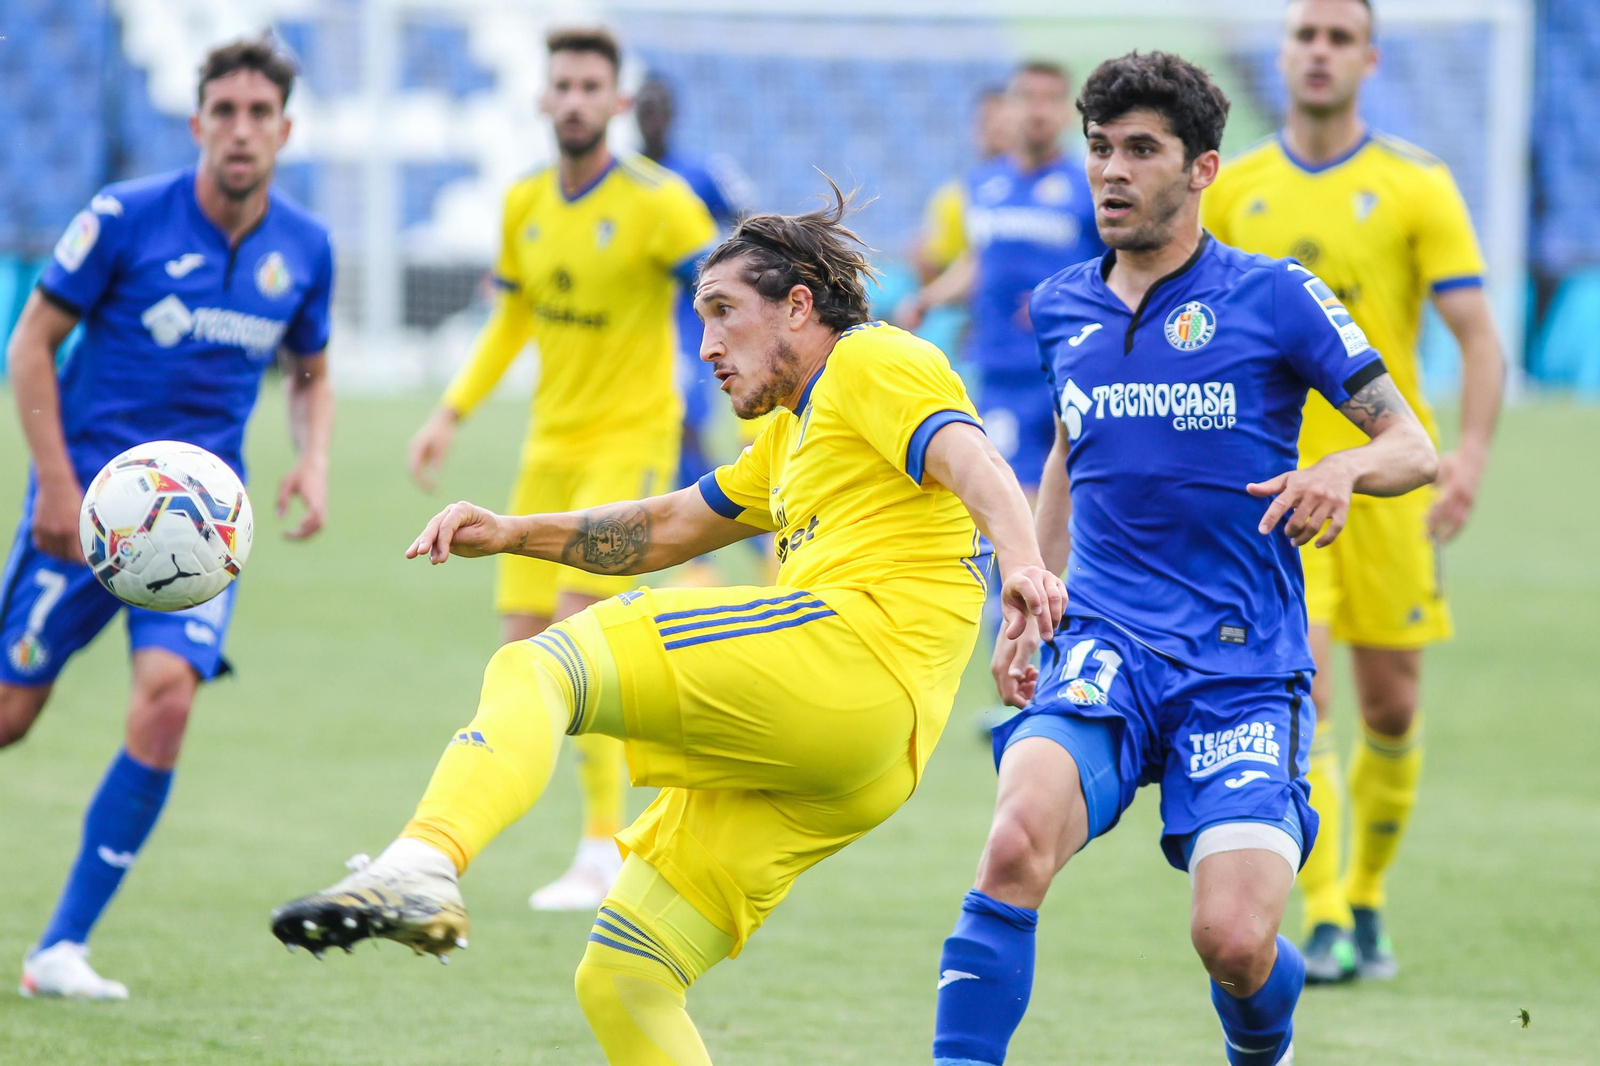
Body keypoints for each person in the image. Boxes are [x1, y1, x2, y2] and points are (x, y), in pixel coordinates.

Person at [272, 187, 1065, 1066]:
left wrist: (1026, 566)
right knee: (624, 975)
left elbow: (975, 458)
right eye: (699, 319)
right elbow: (672, 527)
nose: (708, 346)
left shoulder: (872, 361)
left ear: (799, 305)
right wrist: (514, 532)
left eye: (724, 313)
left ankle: (424, 861)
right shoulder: (791, 435)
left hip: (849, 659)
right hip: (867, 755)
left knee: (539, 669)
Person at [929, 52, 1438, 1066]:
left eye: (1141, 151)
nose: (1111, 172)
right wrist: (1033, 585)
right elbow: (1073, 450)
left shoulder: (1274, 297)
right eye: (1100, 149)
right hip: (1108, 645)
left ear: (1202, 169)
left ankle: (1265, 1033)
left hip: (1242, 668)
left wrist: (1339, 469)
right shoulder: (1065, 307)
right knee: (1012, 841)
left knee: (1235, 944)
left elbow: (1410, 446)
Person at [1, 37, 334, 999]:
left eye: (258, 114)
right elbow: (31, 345)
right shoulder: (123, 218)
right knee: (14, 712)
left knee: (168, 699)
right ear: (196, 125)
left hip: (199, 535)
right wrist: (58, 488)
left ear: (284, 130)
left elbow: (310, 368)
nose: (240, 130)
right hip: (87, 510)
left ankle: (60, 947)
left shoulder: (306, 247)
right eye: (223, 112)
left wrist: (311, 455)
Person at [1203, 0, 1503, 984]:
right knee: (1310, 696)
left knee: (1390, 705)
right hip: (1278, 487)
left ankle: (1365, 894)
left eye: (1338, 37)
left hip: (1388, 483)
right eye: (1304, 35)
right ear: (1283, 54)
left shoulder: (1415, 184)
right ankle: (1324, 914)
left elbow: (1475, 334)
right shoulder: (1233, 187)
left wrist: (1464, 453)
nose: (1319, 52)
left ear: (1367, 59)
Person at [406, 29, 717, 913]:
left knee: (571, 637)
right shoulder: (524, 204)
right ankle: (447, 848)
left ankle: (601, 848)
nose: (576, 99)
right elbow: (510, 323)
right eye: (563, 85)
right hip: (549, 446)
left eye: (591, 86)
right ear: (543, 100)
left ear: (617, 103)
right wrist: (449, 413)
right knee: (516, 658)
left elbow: (722, 294)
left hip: (631, 442)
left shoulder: (662, 203)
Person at [897, 61, 1104, 493]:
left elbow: (1115, 271)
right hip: (1004, 371)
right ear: (1008, 108)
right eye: (1026, 97)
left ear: (1068, 113)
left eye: (1050, 100)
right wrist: (928, 300)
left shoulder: (1091, 184)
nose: (1038, 110)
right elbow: (978, 262)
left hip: (1075, 367)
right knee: (1009, 491)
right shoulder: (982, 185)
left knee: (1087, 496)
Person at [634, 74, 756, 491]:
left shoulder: (702, 173)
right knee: (661, 433)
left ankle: (742, 531)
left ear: (671, 116)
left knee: (685, 425)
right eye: (644, 108)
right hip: (637, 321)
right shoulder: (622, 177)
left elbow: (750, 222)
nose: (651, 118)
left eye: (658, 109)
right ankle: (705, 548)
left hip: (690, 321)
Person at [915, 85, 1015, 285]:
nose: (996, 129)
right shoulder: (952, 196)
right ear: (974, 130)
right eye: (986, 122)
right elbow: (933, 262)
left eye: (1005, 122)